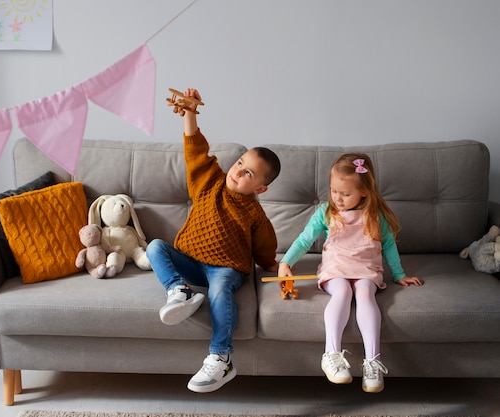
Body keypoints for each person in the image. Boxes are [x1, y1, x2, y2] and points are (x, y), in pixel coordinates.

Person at [147, 88, 281, 393]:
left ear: (260, 189)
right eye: (239, 164)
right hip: (190, 261)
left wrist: (270, 263)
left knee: (220, 291)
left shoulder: (253, 212)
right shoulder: (209, 181)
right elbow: (195, 151)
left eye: (249, 174)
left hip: (225, 269)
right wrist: (191, 114)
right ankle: (177, 290)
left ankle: (221, 358)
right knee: (155, 246)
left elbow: (264, 243)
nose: (238, 173)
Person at [278, 153, 423, 393]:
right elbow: (305, 240)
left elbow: (388, 245)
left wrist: (399, 274)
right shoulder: (327, 212)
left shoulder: (376, 215)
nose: (338, 198)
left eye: (345, 194)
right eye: (334, 191)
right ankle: (331, 354)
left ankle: (372, 362)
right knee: (343, 292)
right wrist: (285, 263)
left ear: (364, 191)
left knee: (365, 293)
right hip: (336, 269)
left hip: (366, 269)